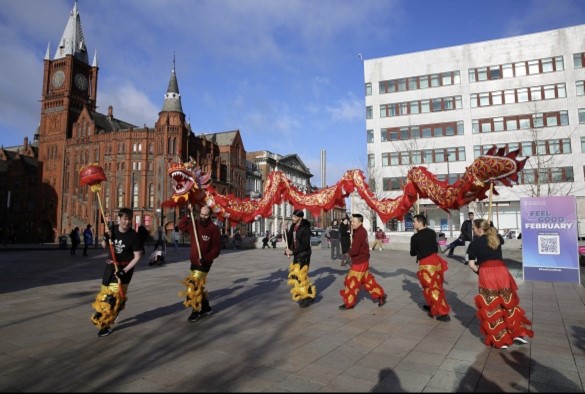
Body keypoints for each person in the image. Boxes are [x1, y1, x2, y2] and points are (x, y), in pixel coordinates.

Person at [467, 218, 534, 349]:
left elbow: (471, 265)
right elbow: (494, 233)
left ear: (479, 229)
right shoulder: (497, 238)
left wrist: (479, 272)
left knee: (491, 305)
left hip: (486, 272)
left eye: (474, 228)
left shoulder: (473, 244)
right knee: (507, 301)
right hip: (502, 271)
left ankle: (500, 338)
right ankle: (517, 333)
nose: (473, 230)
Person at [91, 208, 144, 337]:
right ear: (119, 219)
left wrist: (124, 271)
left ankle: (105, 325)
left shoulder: (134, 236)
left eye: (129, 219)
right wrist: (105, 237)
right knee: (106, 295)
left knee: (111, 299)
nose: (127, 222)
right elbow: (104, 245)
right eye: (125, 219)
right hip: (110, 268)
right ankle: (115, 311)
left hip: (123, 271)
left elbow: (138, 256)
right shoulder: (113, 230)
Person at [178, 205, 222, 322]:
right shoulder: (194, 223)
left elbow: (216, 249)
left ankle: (195, 311)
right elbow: (181, 227)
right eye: (201, 214)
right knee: (198, 286)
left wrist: (207, 258)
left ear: (210, 215)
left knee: (192, 286)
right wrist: (187, 214)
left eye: (206, 215)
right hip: (194, 261)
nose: (203, 217)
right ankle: (206, 308)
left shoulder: (214, 229)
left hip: (204, 263)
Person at [339, 214, 387, 310]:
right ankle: (381, 295)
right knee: (367, 281)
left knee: (352, 281)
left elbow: (355, 250)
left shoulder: (360, 233)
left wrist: (349, 251)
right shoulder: (361, 231)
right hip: (363, 260)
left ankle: (349, 302)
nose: (351, 223)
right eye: (351, 221)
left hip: (359, 261)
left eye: (354, 222)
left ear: (360, 222)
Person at [410, 214, 451, 322]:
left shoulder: (415, 237)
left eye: (414, 222)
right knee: (436, 285)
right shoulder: (432, 232)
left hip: (427, 264)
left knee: (432, 287)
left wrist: (415, 239)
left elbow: (412, 253)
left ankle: (443, 312)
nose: (413, 223)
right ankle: (433, 305)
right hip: (436, 262)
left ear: (419, 222)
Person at [285, 209, 316, 308]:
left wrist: (293, 251)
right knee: (296, 276)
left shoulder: (305, 228)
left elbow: (305, 245)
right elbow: (289, 239)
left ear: (300, 218)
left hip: (304, 255)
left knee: (301, 276)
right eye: (292, 216)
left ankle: (306, 297)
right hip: (297, 254)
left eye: (294, 217)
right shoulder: (293, 226)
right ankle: (306, 294)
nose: (292, 218)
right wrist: (285, 230)